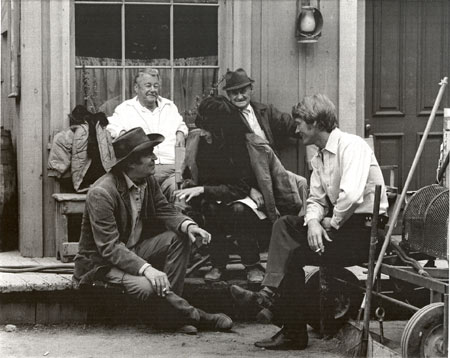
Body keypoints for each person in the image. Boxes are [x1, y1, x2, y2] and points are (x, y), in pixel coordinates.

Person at [229, 94, 389, 350]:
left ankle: (279, 313)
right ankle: (273, 301)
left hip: (364, 233)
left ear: (315, 123)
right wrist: (314, 222)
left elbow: (351, 195)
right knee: (285, 226)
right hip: (338, 228)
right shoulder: (320, 157)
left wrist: (331, 223)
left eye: (300, 123)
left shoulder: (352, 146)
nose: (296, 129)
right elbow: (315, 198)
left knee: (291, 252)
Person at [73, 127, 233, 335]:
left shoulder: (147, 180)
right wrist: (147, 268)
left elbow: (164, 209)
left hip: (133, 251)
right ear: (131, 162)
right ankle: (196, 316)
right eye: (148, 155)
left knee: (179, 236)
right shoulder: (102, 192)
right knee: (147, 286)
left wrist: (190, 226)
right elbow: (110, 248)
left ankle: (169, 316)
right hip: (101, 264)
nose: (154, 158)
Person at [174, 89, 307, 285]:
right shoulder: (199, 142)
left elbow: (240, 187)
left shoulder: (243, 145)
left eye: (207, 129)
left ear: (220, 129)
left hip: (245, 200)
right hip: (214, 198)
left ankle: (252, 264)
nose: (202, 133)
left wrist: (205, 189)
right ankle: (217, 263)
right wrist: (196, 188)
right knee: (212, 207)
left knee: (237, 209)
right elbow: (193, 175)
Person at [107, 68, 188, 202]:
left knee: (179, 192)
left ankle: (182, 223)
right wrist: (121, 134)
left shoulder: (169, 106)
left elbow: (181, 124)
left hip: (172, 168)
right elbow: (111, 128)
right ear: (136, 88)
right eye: (148, 85)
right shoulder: (125, 109)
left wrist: (180, 132)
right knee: (143, 197)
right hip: (143, 170)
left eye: (156, 86)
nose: (153, 90)